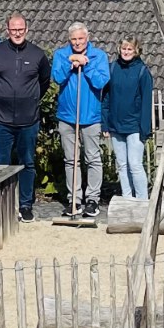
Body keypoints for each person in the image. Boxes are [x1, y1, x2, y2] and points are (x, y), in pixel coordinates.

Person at [0, 14, 50, 222]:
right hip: (0, 120)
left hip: (28, 120)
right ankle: (2, 205)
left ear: (26, 30)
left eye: (20, 29)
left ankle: (26, 205)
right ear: (7, 30)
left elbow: (44, 82)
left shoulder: (38, 54)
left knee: (27, 163)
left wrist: (29, 98)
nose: (17, 33)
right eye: (13, 29)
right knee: (0, 165)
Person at [52, 23, 109, 217]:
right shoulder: (61, 55)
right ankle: (74, 199)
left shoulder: (99, 56)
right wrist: (70, 64)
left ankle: (92, 199)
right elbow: (57, 78)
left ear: (87, 38)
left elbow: (101, 81)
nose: (77, 42)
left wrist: (87, 65)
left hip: (90, 116)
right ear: (70, 40)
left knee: (92, 158)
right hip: (67, 116)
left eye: (80, 39)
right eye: (74, 39)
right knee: (71, 160)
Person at [102, 37, 153, 200]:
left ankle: (142, 200)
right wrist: (105, 124)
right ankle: (127, 198)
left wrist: (145, 129)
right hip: (116, 125)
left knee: (135, 164)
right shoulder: (112, 68)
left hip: (135, 127)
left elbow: (146, 102)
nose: (126, 52)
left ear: (136, 51)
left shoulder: (142, 71)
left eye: (130, 49)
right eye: (124, 48)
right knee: (122, 165)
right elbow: (106, 98)